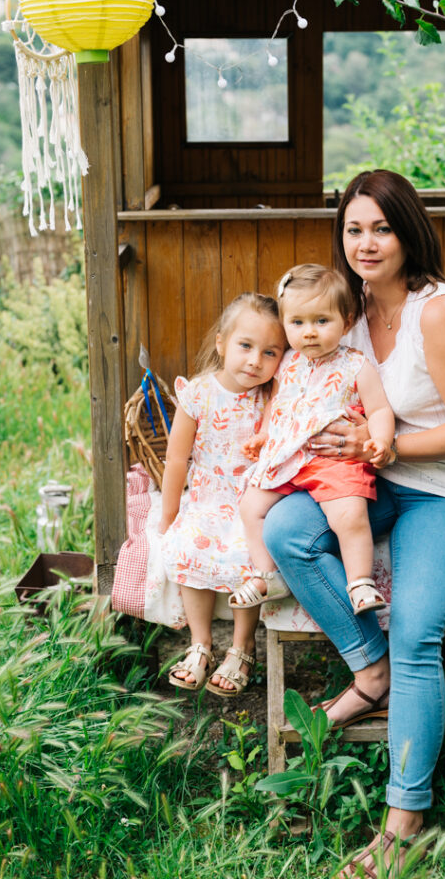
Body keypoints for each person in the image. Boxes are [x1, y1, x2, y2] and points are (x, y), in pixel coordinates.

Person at [263, 171, 445, 874]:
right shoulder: (351, 306)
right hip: (377, 479)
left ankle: (403, 823)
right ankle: (371, 670)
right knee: (285, 532)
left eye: (382, 228)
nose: (366, 244)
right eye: (353, 229)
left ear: (408, 232)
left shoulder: (439, 312)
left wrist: (382, 444)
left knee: (419, 627)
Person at [229, 263, 395, 617]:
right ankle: (268, 575)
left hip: (333, 461)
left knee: (349, 514)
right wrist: (263, 434)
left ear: (346, 322)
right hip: (287, 457)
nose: (309, 333)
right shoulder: (288, 362)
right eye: (298, 323)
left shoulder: (355, 365)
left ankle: (360, 582)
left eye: (322, 321)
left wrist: (380, 440)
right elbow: (279, 403)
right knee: (250, 507)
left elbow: (380, 409)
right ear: (285, 324)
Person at [159, 292, 286, 697]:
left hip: (251, 500)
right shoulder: (198, 393)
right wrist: (169, 513)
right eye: (245, 346)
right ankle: (200, 643)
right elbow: (177, 459)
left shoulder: (273, 397)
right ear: (221, 343)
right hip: (207, 496)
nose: (255, 361)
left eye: (270, 352)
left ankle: (242, 646)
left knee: (249, 555)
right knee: (188, 544)